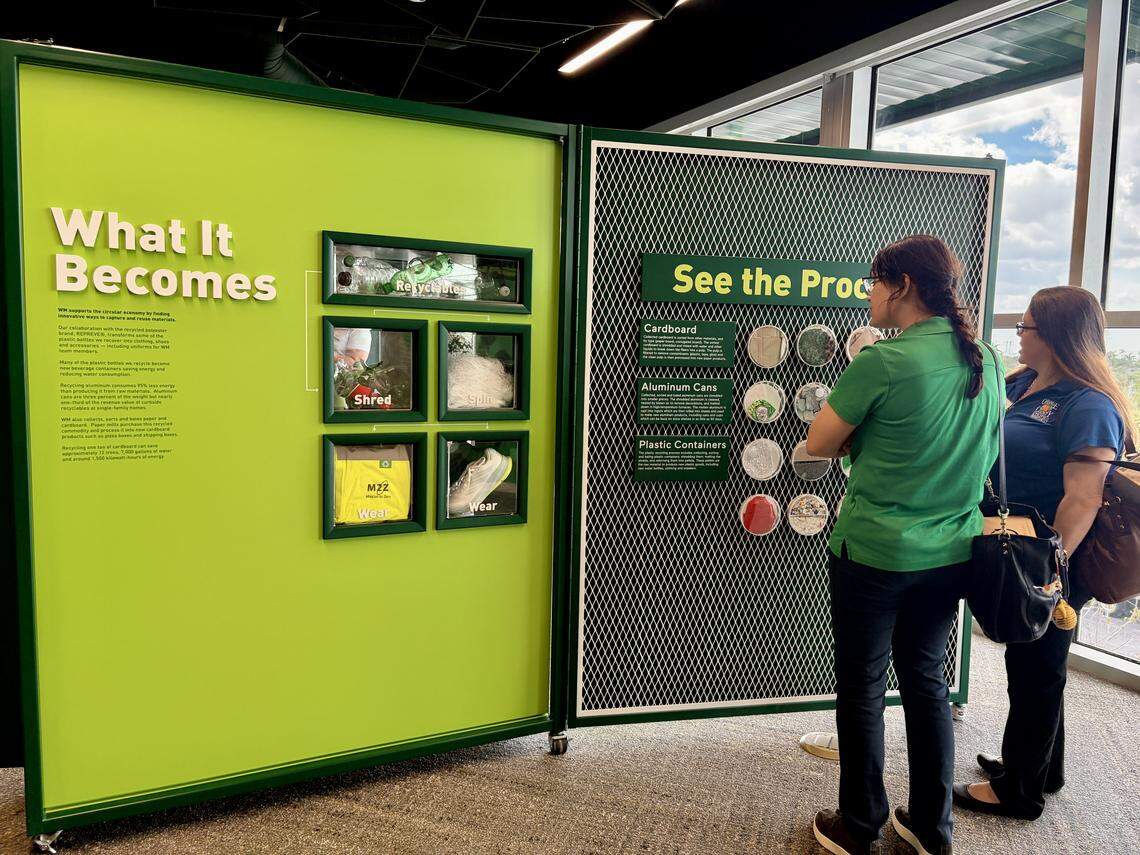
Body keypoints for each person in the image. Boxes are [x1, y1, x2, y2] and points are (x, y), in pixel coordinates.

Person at [806, 235, 1001, 855]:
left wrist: (858, 442)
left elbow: (817, 441)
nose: (869, 294)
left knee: (862, 686)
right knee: (927, 683)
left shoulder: (882, 363)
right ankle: (930, 825)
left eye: (873, 281)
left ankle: (860, 823)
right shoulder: (987, 360)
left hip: (875, 553)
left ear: (903, 286)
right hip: (952, 554)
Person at [953, 286, 1133, 820]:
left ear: (1053, 335)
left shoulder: (1089, 404)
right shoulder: (1030, 385)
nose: (1018, 336)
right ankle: (1041, 767)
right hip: (1021, 548)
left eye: (1025, 328)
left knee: (1038, 668)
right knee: (1030, 658)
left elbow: (1084, 497)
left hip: (1052, 560)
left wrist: (1051, 574)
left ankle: (1020, 792)